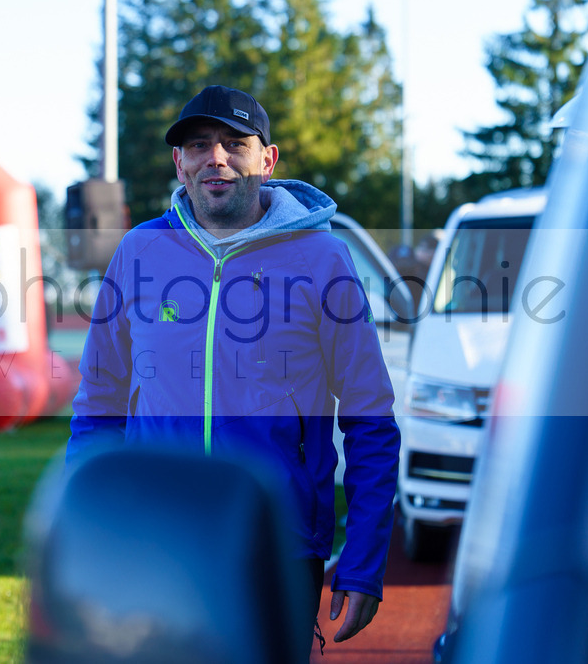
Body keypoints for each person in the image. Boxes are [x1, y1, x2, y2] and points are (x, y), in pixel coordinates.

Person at [66, 85, 400, 657]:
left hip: (275, 544)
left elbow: (370, 418)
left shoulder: (322, 260)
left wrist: (364, 561)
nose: (214, 158)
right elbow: (99, 404)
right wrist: (89, 523)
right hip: (156, 540)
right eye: (198, 145)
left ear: (267, 160)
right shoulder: (138, 253)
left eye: (233, 144)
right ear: (179, 162)